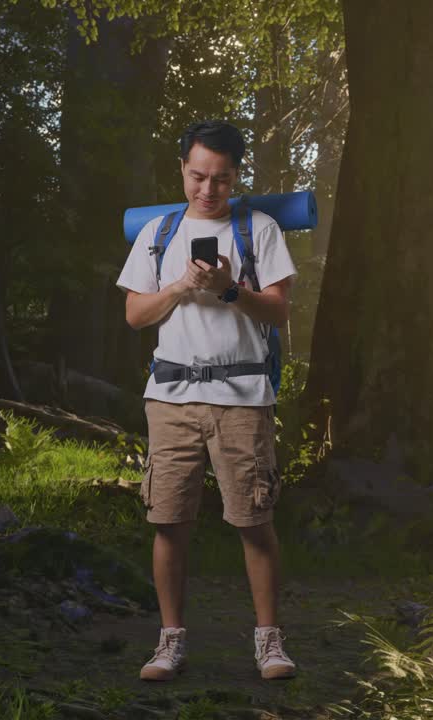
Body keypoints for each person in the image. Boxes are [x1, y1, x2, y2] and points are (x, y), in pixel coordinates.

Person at [116, 120, 298, 682]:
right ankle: (170, 642)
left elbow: (278, 310)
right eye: (198, 176)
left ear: (236, 176)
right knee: (168, 521)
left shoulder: (259, 229)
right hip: (170, 397)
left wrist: (227, 289)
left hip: (243, 396)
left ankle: (269, 641)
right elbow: (134, 315)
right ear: (183, 170)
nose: (208, 189)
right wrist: (179, 287)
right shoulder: (158, 233)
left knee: (253, 519)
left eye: (220, 179)